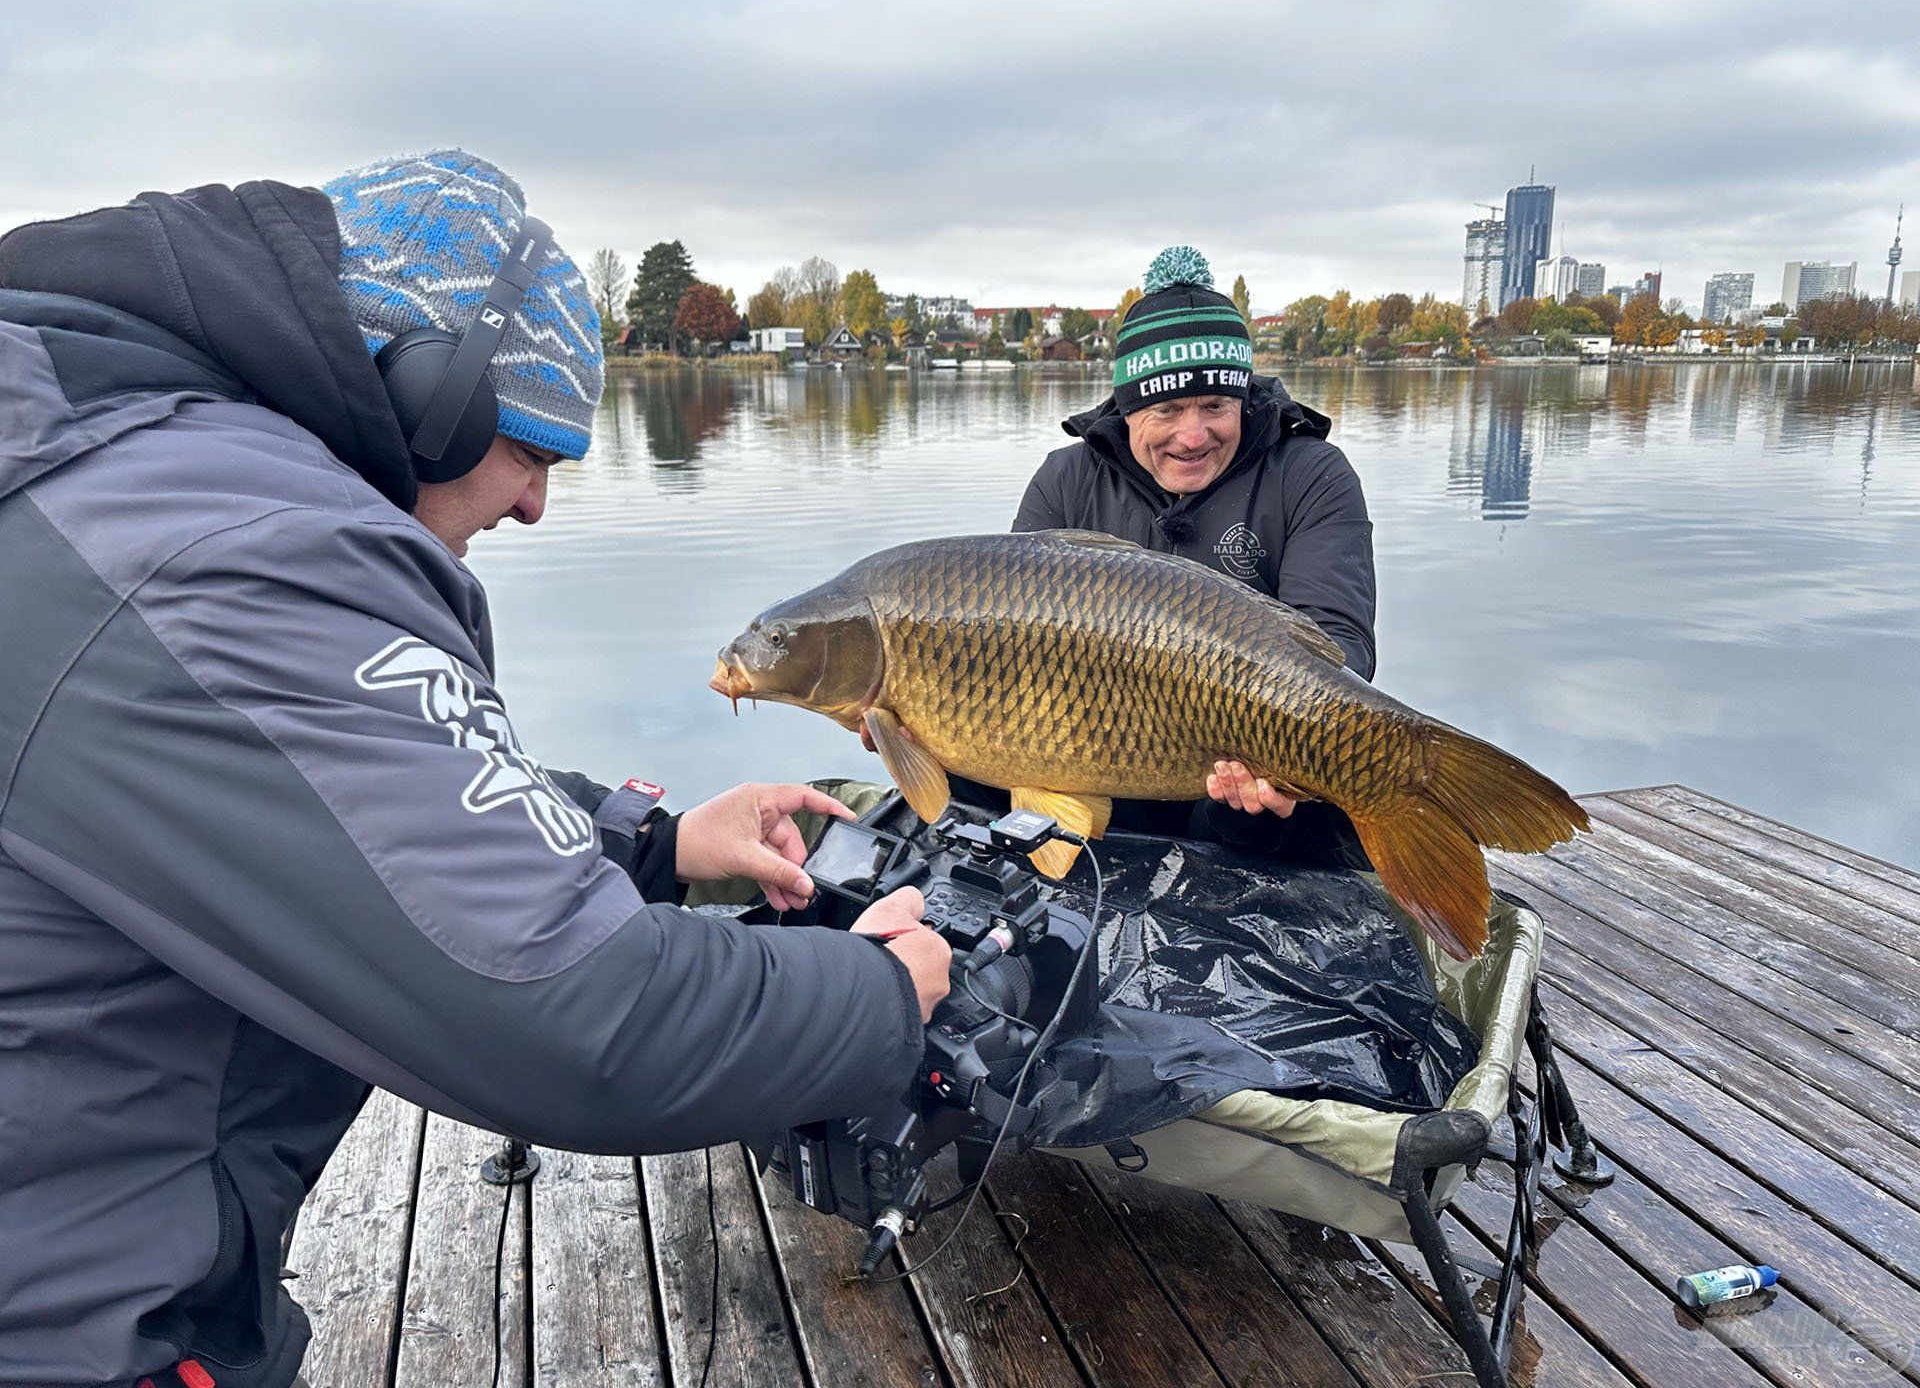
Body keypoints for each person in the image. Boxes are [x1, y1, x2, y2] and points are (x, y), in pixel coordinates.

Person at [0, 151, 948, 1388]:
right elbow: (584, 1022)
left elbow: (311, 777)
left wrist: (649, 843)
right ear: (430, 395)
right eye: (536, 452)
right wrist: (880, 994)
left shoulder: (111, 471)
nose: (539, 507)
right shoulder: (220, 543)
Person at [1012, 246, 1378, 864]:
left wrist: (1272, 743)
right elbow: (1011, 632)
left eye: (1215, 406)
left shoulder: (1312, 474)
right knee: (973, 764)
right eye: (1167, 409)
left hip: (1255, 780)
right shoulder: (1065, 482)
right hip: (1094, 760)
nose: (1193, 434)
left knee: (1272, 806)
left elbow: (1340, 650)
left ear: (1243, 397)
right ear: (1128, 409)